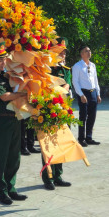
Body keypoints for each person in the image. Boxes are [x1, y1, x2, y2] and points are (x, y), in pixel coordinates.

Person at [0, 42, 27, 205]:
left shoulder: (6, 75)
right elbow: (5, 96)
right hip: (0, 120)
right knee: (1, 157)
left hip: (14, 118)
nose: (3, 63)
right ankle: (0, 190)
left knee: (14, 156)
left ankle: (11, 187)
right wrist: (24, 94)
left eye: (4, 59)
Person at [42, 39, 72, 190]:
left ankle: (58, 175)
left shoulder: (66, 69)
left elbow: (66, 85)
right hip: (48, 109)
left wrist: (59, 91)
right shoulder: (47, 68)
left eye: (64, 52)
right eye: (61, 52)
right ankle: (48, 177)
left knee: (60, 143)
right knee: (48, 144)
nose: (63, 55)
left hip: (62, 109)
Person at [72, 45, 102, 147]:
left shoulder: (92, 65)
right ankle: (81, 138)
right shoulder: (77, 66)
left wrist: (98, 93)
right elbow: (75, 82)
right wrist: (81, 95)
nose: (89, 52)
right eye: (86, 51)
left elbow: (95, 80)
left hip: (93, 92)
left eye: (89, 50)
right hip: (84, 93)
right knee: (83, 116)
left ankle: (89, 137)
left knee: (92, 116)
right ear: (82, 54)